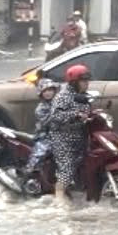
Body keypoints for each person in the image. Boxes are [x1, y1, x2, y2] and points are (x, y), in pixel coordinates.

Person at [48, 63, 94, 203]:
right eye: (83, 81)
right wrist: (75, 115)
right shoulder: (63, 96)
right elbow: (55, 116)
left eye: (87, 81)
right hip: (63, 138)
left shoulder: (82, 96)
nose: (87, 84)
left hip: (80, 136)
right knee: (67, 169)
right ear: (74, 82)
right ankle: (59, 199)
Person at [23, 78, 60, 177]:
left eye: (50, 90)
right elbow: (47, 122)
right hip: (45, 134)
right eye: (45, 91)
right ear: (41, 93)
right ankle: (30, 170)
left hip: (61, 133)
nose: (48, 93)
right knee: (42, 150)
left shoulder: (59, 103)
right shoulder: (40, 108)